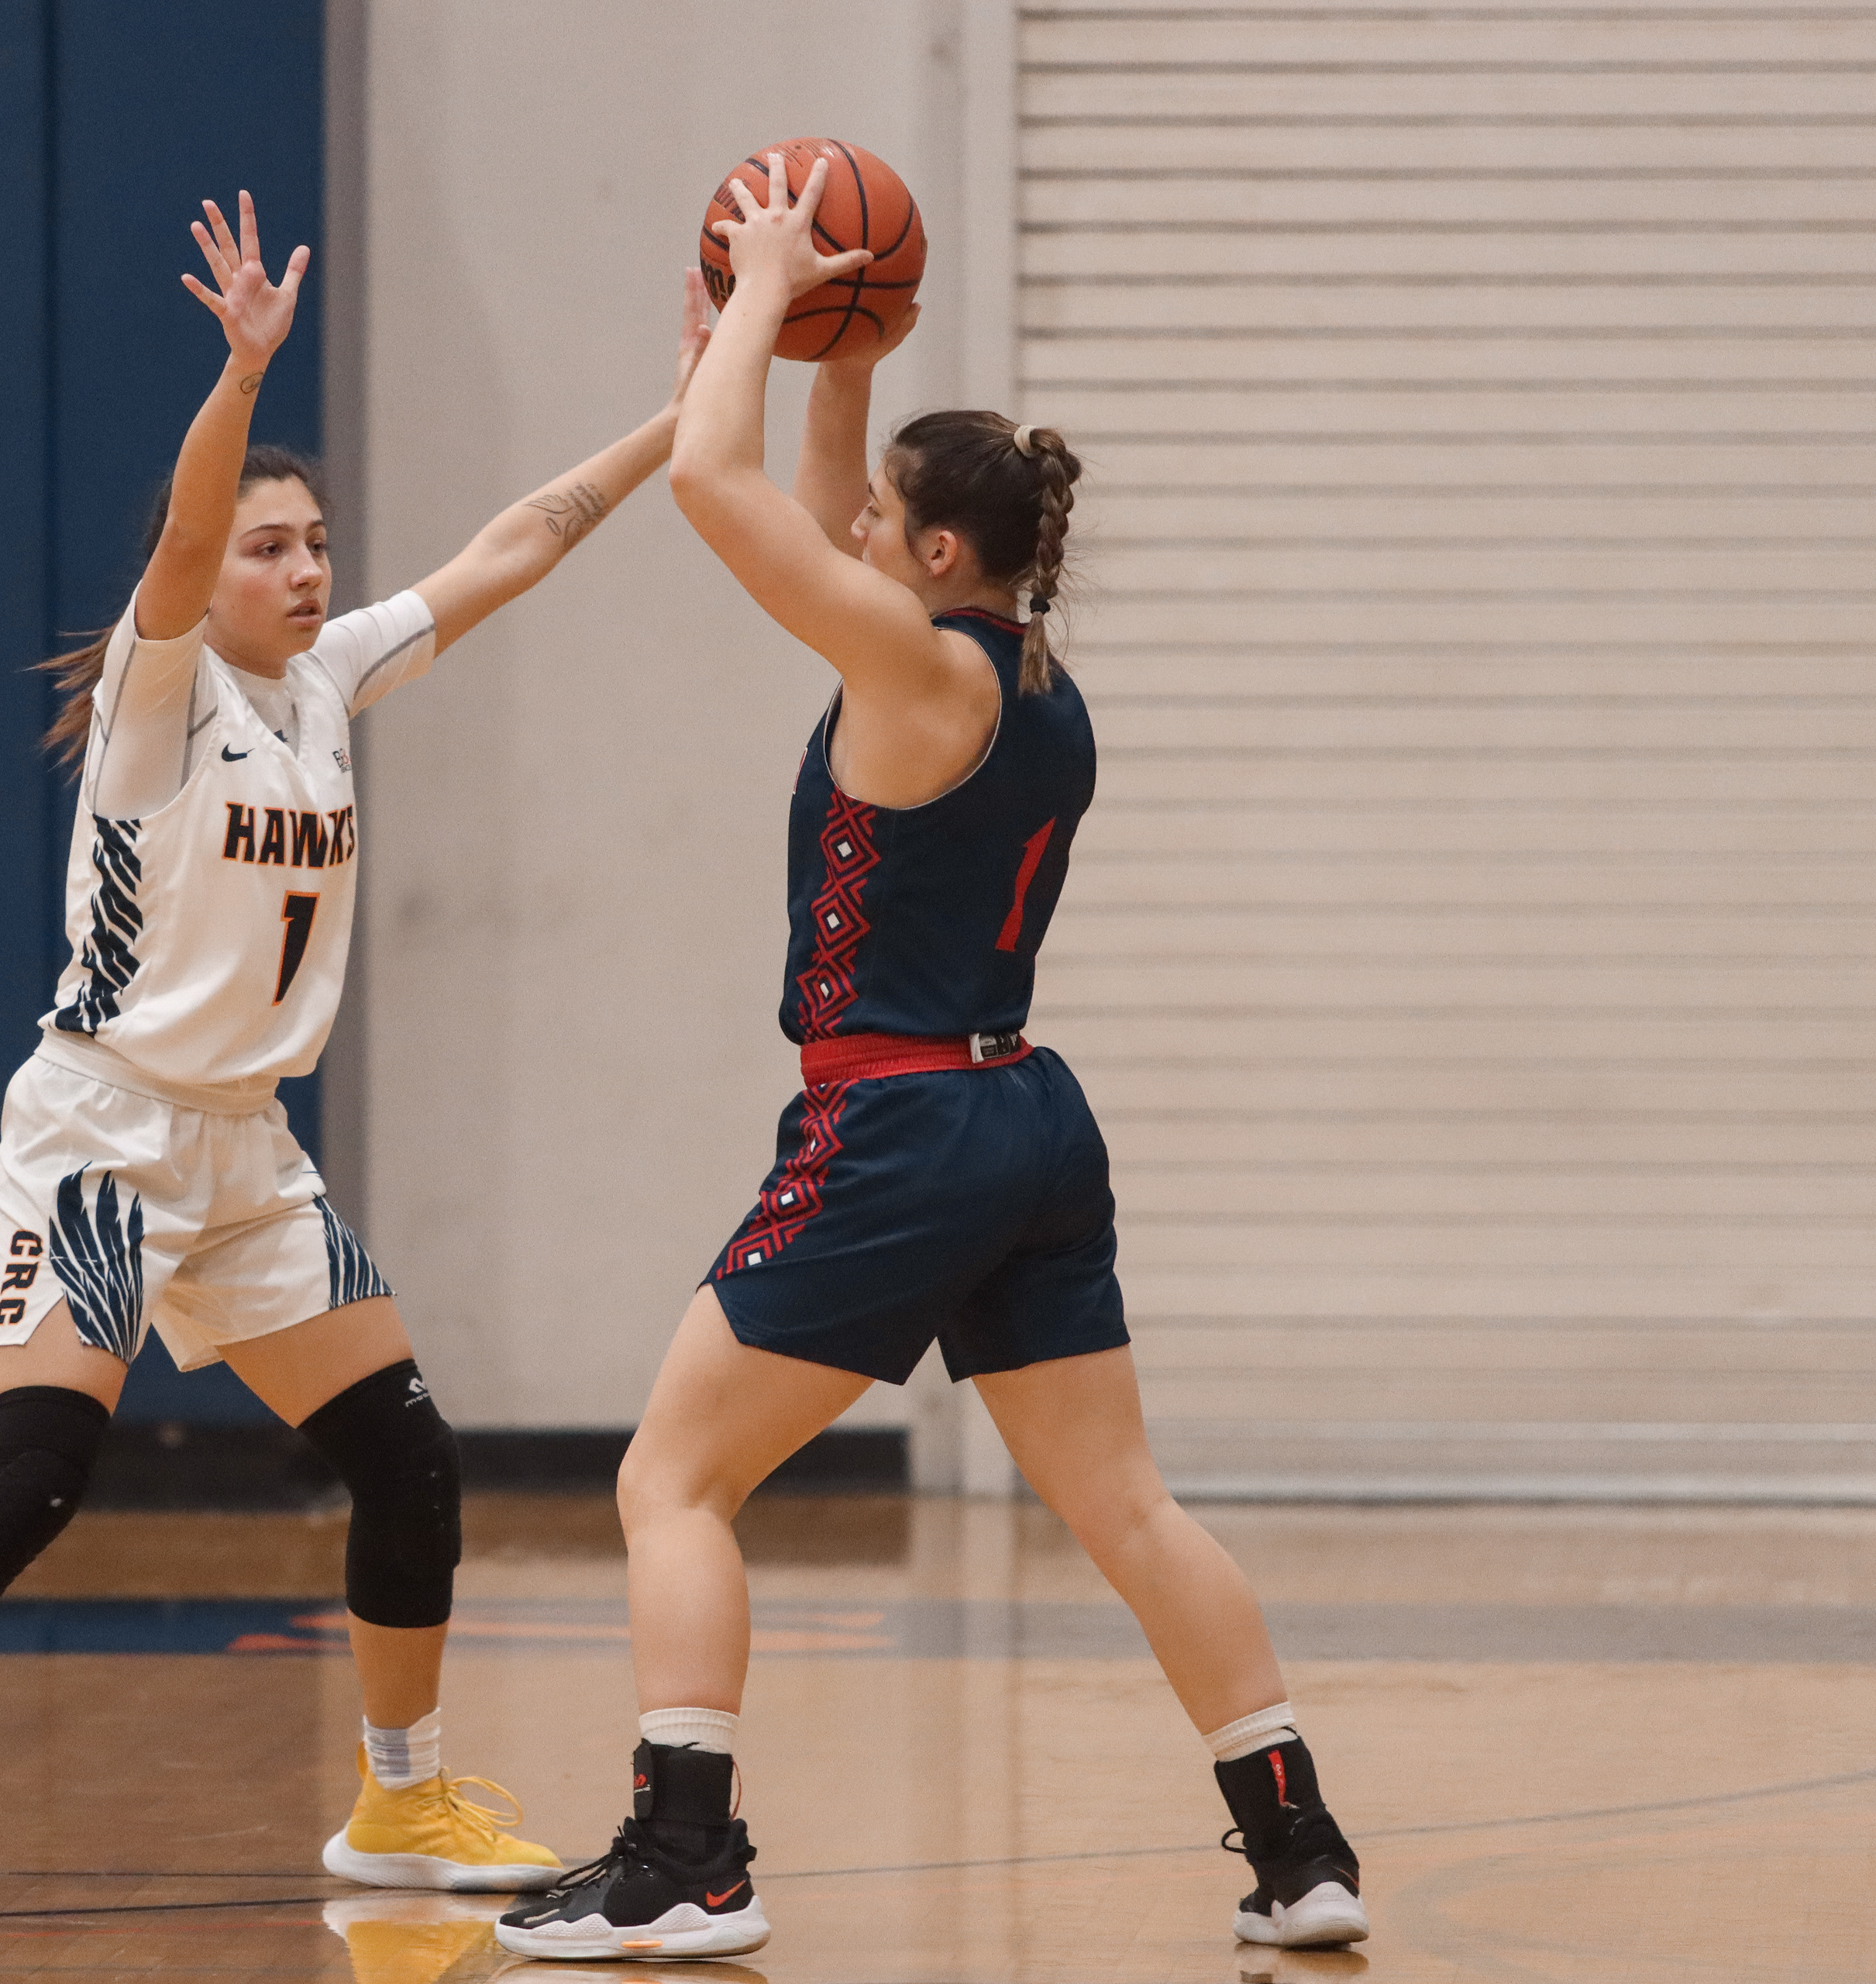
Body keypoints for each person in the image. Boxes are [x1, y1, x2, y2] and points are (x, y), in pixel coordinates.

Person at [0, 191, 714, 1928]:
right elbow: (184, 534)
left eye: (315, 542)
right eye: (272, 548)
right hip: (103, 1141)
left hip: (246, 1152)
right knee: (39, 1471)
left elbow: (516, 544)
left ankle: (399, 1799)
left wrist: (681, 414)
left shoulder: (328, 680)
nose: (304, 568)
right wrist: (242, 377)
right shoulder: (157, 696)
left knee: (408, 1454)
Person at [497, 156, 1371, 1962]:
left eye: (887, 519)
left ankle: (688, 1857)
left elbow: (718, 488)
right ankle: (1300, 1848)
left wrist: (758, 283)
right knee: (1129, 1504)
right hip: (1027, 1113)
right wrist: (844, 359)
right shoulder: (1025, 678)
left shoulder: (913, 674)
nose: (859, 530)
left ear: (938, 556)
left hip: (896, 1120)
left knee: (671, 1479)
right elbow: (823, 510)